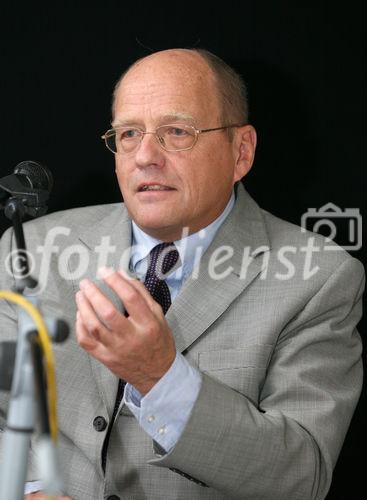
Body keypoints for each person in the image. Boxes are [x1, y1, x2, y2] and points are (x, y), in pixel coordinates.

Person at [0, 48, 364, 500]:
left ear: (241, 151)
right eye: (129, 133)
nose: (145, 156)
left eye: (177, 132)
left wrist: (160, 377)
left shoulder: (319, 278)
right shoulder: (34, 247)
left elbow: (300, 476)